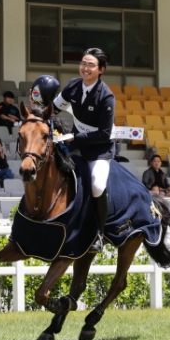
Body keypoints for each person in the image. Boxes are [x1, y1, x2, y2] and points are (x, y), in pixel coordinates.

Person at [52, 47, 116, 253]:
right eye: (83, 63)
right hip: (77, 144)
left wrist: (74, 137)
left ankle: (99, 232)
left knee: (97, 185)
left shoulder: (106, 97)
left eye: (91, 65)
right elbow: (54, 107)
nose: (85, 68)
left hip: (99, 150)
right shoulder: (73, 85)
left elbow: (104, 134)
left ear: (101, 70)